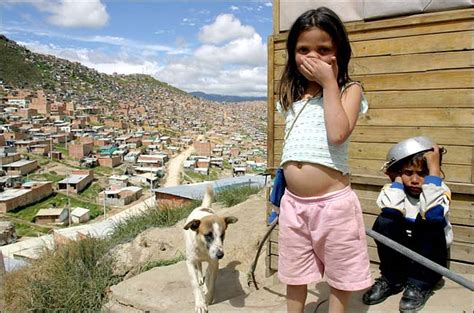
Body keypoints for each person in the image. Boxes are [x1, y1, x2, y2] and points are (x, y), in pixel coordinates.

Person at [275, 7, 372, 313]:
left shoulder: (349, 90)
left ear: (339, 52)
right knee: (295, 271)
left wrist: (330, 84)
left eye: (324, 49)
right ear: (292, 54)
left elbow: (338, 133)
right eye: (304, 50)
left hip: (333, 206)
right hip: (294, 204)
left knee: (342, 272)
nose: (313, 57)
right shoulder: (292, 94)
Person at [362, 136, 453, 312]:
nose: (414, 180)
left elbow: (433, 215)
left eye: (422, 174)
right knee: (385, 220)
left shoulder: (440, 189)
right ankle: (392, 279)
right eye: (408, 173)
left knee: (428, 221)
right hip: (400, 260)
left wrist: (434, 174)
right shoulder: (392, 190)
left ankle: (419, 284)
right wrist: (396, 181)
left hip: (428, 264)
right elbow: (389, 213)